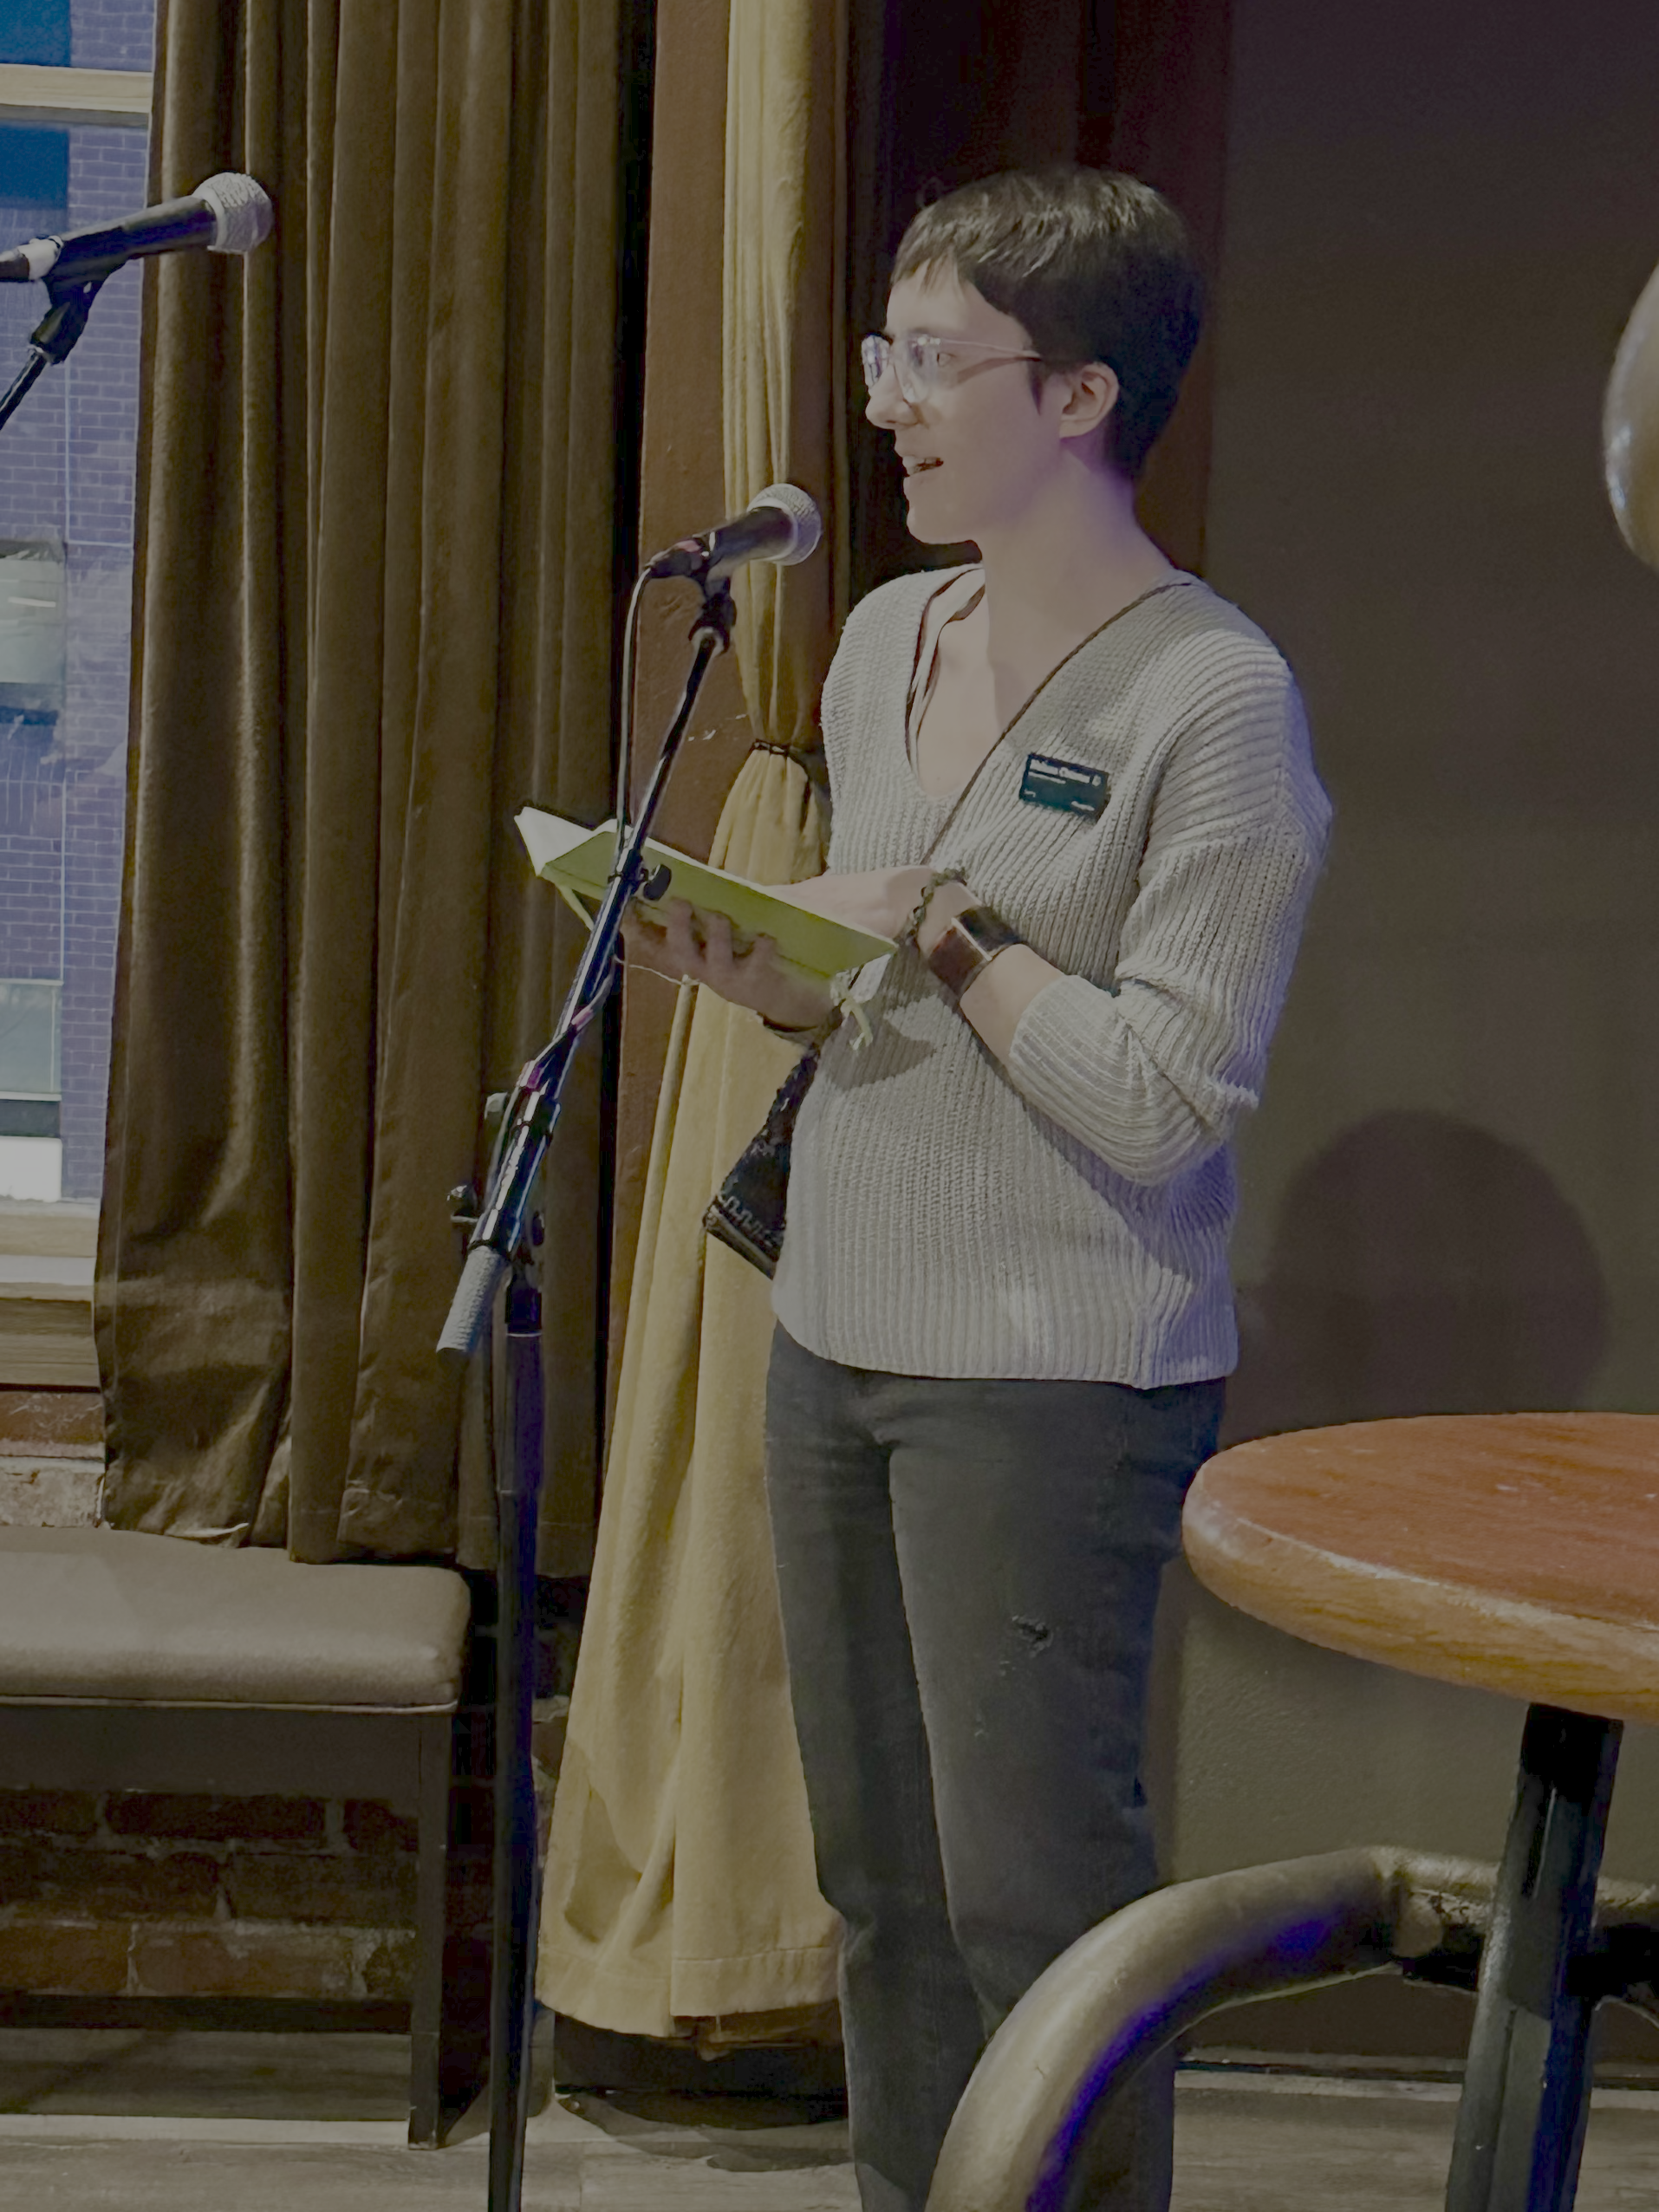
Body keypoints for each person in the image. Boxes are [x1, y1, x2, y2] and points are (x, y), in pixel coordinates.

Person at [628, 166, 1330, 2212]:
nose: (894, 406)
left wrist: (943, 931)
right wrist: (773, 969)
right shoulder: (878, 634)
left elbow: (1163, 1100)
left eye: (935, 365)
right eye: (888, 358)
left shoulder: (1215, 699)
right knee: (880, 1886)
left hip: (1051, 1375)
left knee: (1040, 1909)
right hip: (834, 1330)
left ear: (1083, 393)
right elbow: (884, 1008)